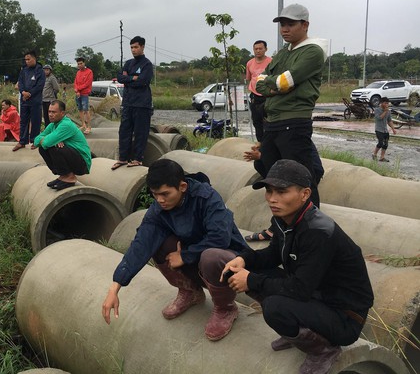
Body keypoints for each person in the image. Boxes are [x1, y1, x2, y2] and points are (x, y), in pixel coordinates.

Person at [222, 159, 373, 374]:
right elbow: (274, 254)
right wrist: (245, 260)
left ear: (305, 194)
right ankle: (299, 333)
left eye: (282, 192)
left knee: (275, 307)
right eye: (269, 191)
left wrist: (251, 280)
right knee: (250, 274)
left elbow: (300, 289)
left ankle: (322, 349)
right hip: (318, 295)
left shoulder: (318, 232)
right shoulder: (284, 219)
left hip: (344, 316)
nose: (272, 199)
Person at [102, 159, 249, 341]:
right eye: (155, 195)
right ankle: (190, 292)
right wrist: (115, 286)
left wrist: (184, 255)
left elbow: (220, 238)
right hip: (195, 255)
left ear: (182, 186)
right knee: (156, 243)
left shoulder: (207, 197)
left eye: (165, 194)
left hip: (228, 258)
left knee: (210, 256)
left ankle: (225, 307)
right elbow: (141, 244)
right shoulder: (159, 210)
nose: (160, 200)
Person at [256, 4, 328, 208]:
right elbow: (259, 83)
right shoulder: (282, 53)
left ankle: (311, 225)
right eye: (282, 25)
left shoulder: (312, 51)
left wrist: (275, 84)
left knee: (301, 177)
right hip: (272, 123)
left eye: (290, 24)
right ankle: (280, 227)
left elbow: (283, 82)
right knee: (273, 176)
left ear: (305, 25)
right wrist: (276, 84)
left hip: (294, 122)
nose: (284, 29)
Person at [112, 36, 154, 170]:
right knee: (124, 131)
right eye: (131, 47)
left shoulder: (147, 64)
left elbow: (143, 81)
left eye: (136, 47)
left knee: (140, 132)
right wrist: (132, 78)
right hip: (128, 102)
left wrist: (128, 79)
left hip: (142, 104)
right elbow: (120, 77)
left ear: (142, 47)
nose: (133, 50)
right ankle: (123, 158)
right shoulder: (128, 63)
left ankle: (137, 159)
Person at [33, 100, 92, 190]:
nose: (50, 114)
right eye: (49, 111)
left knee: (53, 147)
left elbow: (46, 142)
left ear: (62, 113)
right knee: (43, 149)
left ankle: (70, 177)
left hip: (82, 163)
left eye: (54, 112)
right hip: (72, 158)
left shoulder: (66, 125)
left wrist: (47, 141)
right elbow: (36, 140)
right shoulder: (52, 125)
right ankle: (63, 175)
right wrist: (46, 140)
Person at [14, 49, 45, 151]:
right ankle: (22, 141)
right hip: (24, 100)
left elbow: (39, 86)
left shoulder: (40, 71)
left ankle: (35, 141)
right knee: (23, 121)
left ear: (34, 58)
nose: (27, 61)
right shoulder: (24, 71)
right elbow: (20, 83)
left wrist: (29, 93)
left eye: (29, 59)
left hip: (35, 101)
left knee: (35, 121)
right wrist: (23, 92)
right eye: (25, 60)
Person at [245, 40, 272, 142]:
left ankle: (269, 143)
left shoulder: (271, 62)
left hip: (268, 95)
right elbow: (249, 78)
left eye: (260, 48)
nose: (258, 51)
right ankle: (260, 143)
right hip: (255, 96)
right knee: (256, 121)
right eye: (256, 49)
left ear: (265, 49)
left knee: (268, 121)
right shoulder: (249, 63)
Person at [372, 97, 396, 162]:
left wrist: (393, 128)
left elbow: (389, 120)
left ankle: (382, 157)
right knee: (380, 143)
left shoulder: (388, 111)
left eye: (387, 103)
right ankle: (374, 154)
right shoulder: (377, 110)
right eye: (385, 103)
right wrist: (385, 111)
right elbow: (379, 118)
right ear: (381, 103)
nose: (387, 105)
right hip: (379, 130)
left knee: (385, 144)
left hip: (385, 130)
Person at [74, 56, 93, 134]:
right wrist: (76, 90)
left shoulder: (89, 72)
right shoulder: (78, 72)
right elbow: (75, 82)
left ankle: (89, 126)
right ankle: (83, 124)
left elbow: (87, 84)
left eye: (81, 63)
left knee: (86, 110)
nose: (79, 65)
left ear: (84, 63)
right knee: (80, 109)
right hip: (78, 94)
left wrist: (78, 89)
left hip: (85, 93)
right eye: (78, 64)